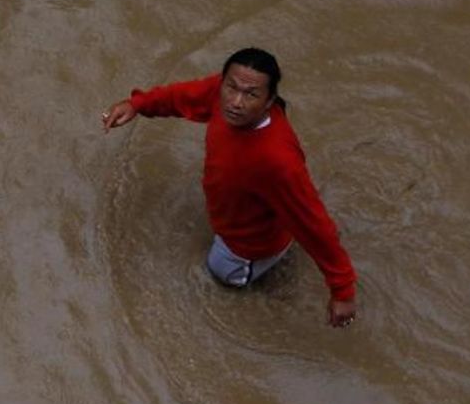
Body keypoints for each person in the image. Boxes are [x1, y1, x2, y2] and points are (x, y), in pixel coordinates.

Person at [102, 48, 358, 328]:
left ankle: (274, 283)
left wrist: (342, 291)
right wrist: (137, 104)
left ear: (269, 100)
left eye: (251, 95)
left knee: (221, 275)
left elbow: (313, 222)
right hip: (237, 211)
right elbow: (181, 96)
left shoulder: (278, 161)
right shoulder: (220, 95)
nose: (235, 102)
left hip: (246, 245)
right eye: (231, 87)